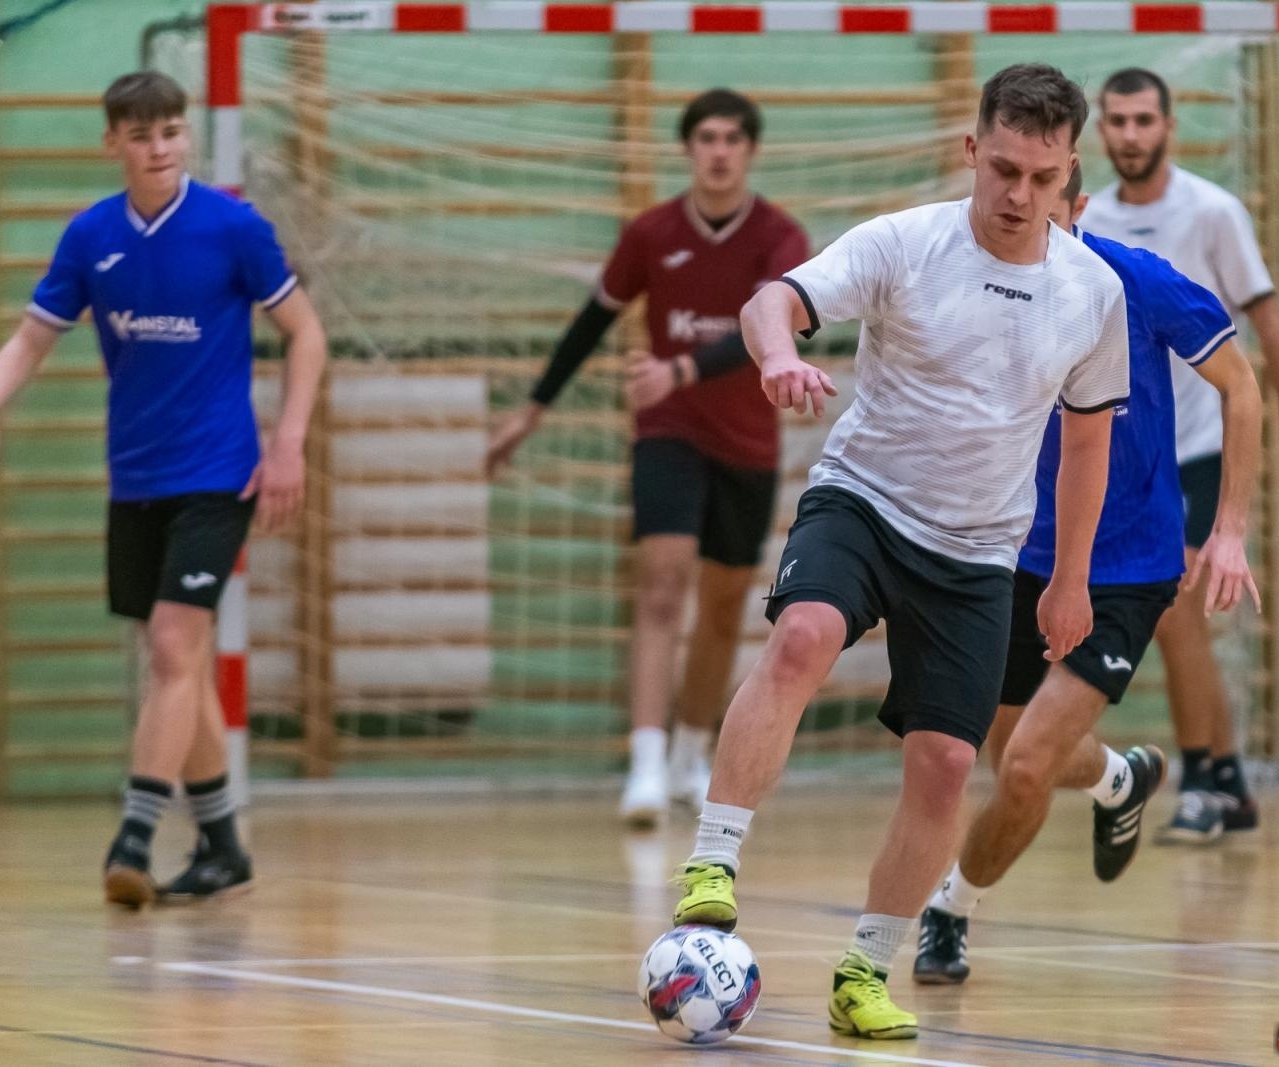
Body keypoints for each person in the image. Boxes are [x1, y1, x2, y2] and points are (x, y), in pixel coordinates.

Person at [669, 64, 1130, 1039]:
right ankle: (712, 858)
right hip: (865, 503)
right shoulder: (904, 242)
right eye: (1002, 168)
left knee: (948, 762)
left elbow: (1086, 444)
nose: (1018, 195)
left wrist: (1071, 583)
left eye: (1042, 178)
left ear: (1068, 171)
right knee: (801, 634)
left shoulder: (1091, 292)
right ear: (972, 149)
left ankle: (863, 968)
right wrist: (781, 354)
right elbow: (770, 301)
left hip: (976, 553)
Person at [0, 71, 327, 908]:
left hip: (220, 472)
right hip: (137, 476)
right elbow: (31, 340)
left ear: (187, 136)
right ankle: (225, 844)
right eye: (141, 135)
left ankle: (135, 830)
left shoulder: (233, 227)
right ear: (112, 143)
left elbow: (306, 334)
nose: (159, 148)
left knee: (170, 646)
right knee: (175, 662)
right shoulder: (91, 238)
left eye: (171, 132)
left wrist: (288, 443)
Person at [913, 166, 1264, 985]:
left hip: (1129, 566)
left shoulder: (1136, 281)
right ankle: (1121, 775)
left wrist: (1230, 529)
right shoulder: (980, 290)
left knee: (1029, 764)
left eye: (1048, 197)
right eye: (1009, 189)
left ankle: (950, 910)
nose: (1024, 209)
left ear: (1077, 209)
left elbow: (1242, 389)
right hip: (1014, 554)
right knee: (1008, 757)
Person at [484, 89, 807, 827]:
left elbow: (774, 327)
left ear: (750, 150)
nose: (719, 150)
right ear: (687, 149)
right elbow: (592, 322)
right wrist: (529, 412)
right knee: (661, 583)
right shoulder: (651, 232)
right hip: (667, 431)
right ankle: (646, 765)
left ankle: (695, 754)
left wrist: (683, 367)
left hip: (748, 442)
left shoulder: (779, 237)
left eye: (732, 138)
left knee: (726, 607)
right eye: (706, 138)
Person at [1083, 67, 1279, 842]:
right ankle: (1227, 780)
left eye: (1142, 120)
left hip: (1203, 442)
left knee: (1179, 604)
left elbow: (1272, 330)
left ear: (1169, 125)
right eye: (1116, 121)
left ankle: (1198, 781)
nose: (1129, 135)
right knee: (1176, 616)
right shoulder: (1093, 221)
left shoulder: (1213, 213)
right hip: (1132, 450)